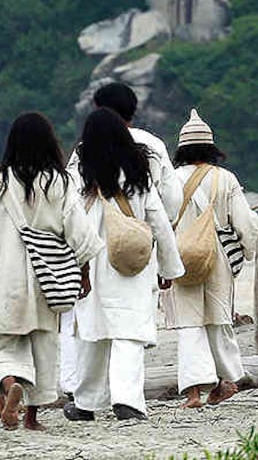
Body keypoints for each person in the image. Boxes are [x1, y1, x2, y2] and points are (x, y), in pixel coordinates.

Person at [0, 112, 103, 430]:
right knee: (44, 345)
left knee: (3, 344)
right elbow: (79, 229)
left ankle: (8, 384)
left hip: (6, 278)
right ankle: (32, 418)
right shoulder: (60, 182)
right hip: (49, 276)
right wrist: (84, 269)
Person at [60, 82, 184, 397]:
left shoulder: (82, 154)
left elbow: (67, 207)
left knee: (91, 330)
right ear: (132, 111)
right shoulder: (149, 151)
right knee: (130, 330)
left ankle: (87, 400)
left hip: (91, 254)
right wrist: (168, 267)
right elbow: (167, 205)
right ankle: (128, 399)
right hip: (135, 254)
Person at [162, 109, 258, 409]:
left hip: (180, 254)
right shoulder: (225, 178)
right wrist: (246, 251)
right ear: (210, 148)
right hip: (217, 254)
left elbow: (161, 220)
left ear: (182, 150)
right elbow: (245, 222)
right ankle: (227, 380)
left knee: (189, 323)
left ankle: (194, 393)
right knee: (218, 319)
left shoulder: (171, 180)